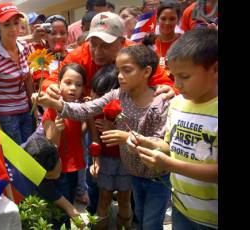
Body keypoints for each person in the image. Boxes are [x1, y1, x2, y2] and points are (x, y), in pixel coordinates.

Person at [36, 44, 172, 230]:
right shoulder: (118, 95)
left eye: (127, 70)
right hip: (135, 175)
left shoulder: (161, 101)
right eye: (118, 70)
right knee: (140, 216)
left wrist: (126, 137)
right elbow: (86, 109)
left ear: (147, 71)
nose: (119, 76)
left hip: (157, 177)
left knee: (150, 224)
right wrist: (53, 103)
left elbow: (162, 144)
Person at [128, 28, 218, 229]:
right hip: (181, 208)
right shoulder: (177, 104)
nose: (177, 84)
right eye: (173, 76)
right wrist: (148, 142)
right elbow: (170, 146)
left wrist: (170, 165)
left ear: (214, 68)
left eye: (184, 76)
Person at [86, 64, 132, 230]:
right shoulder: (93, 111)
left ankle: (124, 226)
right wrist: (95, 159)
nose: (95, 97)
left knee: (125, 198)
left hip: (126, 159)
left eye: (100, 94)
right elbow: (95, 139)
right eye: (94, 91)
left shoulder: (127, 110)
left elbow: (133, 136)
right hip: (105, 159)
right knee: (104, 197)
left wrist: (113, 129)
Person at [0, 2, 35, 145]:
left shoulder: (24, 48)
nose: (13, 29)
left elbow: (28, 81)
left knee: (32, 154)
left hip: (26, 112)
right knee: (18, 161)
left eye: (16, 23)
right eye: (6, 25)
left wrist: (35, 109)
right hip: (7, 118)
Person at [42, 63, 87, 228]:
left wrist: (87, 123)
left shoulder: (77, 109)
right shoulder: (52, 110)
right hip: (59, 171)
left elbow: (78, 134)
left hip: (74, 167)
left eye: (78, 84)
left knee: (68, 206)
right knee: (60, 212)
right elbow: (50, 148)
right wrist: (58, 130)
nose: (73, 88)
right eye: (68, 83)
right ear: (58, 83)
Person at [23, 135, 87, 228]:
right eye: (49, 175)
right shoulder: (41, 182)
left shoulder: (52, 148)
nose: (56, 177)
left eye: (57, 170)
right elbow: (67, 206)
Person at [144, 0, 183, 71]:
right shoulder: (148, 43)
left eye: (172, 19)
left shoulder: (185, 42)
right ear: (157, 19)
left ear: (178, 20)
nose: (167, 22)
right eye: (163, 18)